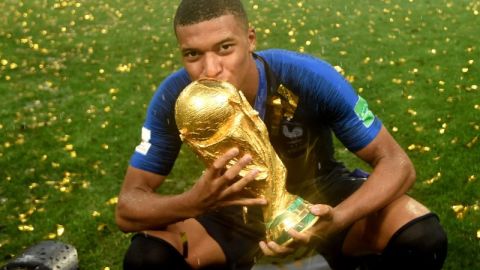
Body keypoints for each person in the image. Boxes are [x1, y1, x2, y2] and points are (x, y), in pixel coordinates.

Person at [115, 0, 448, 269]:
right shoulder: (176, 97)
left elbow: (397, 163)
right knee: (149, 257)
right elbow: (128, 207)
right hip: (231, 212)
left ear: (250, 39)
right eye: (193, 54)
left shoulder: (305, 76)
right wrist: (192, 202)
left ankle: (338, 253)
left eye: (225, 47)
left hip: (322, 200)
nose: (211, 69)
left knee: (420, 234)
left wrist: (338, 219)